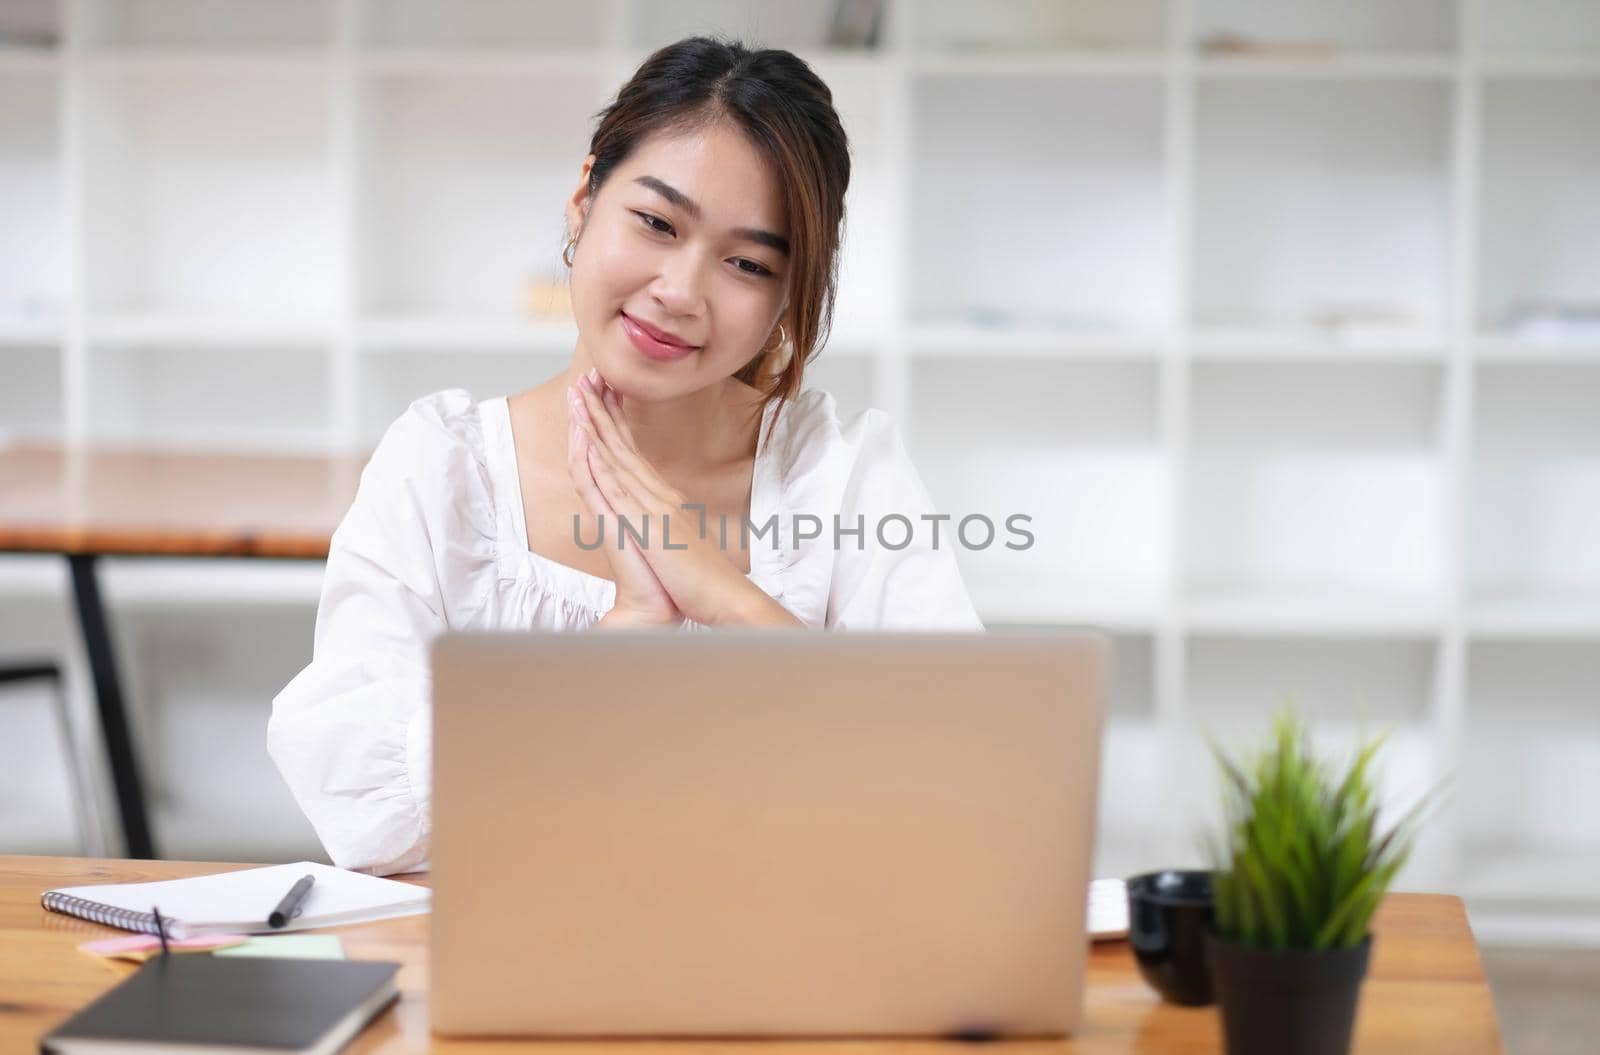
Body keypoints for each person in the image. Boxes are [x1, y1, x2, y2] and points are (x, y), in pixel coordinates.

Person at [269, 37, 983, 876]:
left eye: (747, 263)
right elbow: (369, 818)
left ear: (787, 299)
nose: (680, 291)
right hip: (505, 974)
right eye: (655, 222)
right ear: (582, 202)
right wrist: (626, 634)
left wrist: (721, 592)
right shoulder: (442, 468)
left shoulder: (844, 472)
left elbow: (957, 791)